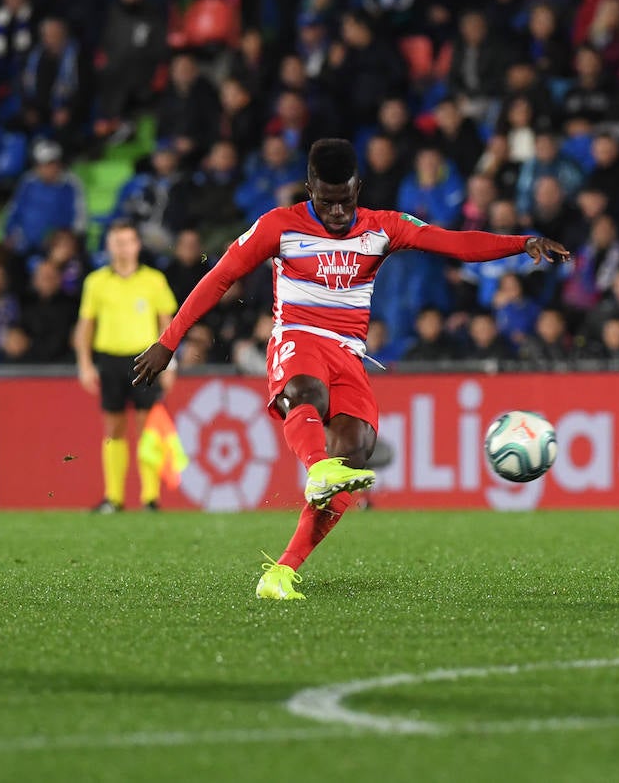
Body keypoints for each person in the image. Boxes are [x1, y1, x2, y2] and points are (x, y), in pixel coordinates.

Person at [131, 140, 568, 600]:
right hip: (297, 337)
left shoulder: (384, 227)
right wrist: (168, 342)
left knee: (355, 453)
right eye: (326, 201)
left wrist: (521, 242)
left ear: (358, 187)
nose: (337, 212)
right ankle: (317, 466)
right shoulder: (279, 225)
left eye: (345, 200)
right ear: (310, 190)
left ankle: (281, 572)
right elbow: (219, 276)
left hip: (349, 354)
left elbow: (455, 243)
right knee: (306, 393)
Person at [75, 221, 180, 513]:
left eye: (126, 242)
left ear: (137, 245)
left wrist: (170, 363)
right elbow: (86, 325)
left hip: (144, 359)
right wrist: (84, 364)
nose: (122, 248)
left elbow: (167, 323)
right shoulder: (96, 282)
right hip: (109, 359)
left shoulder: (154, 280)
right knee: (114, 427)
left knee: (148, 427)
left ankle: (150, 497)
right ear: (109, 246)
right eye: (116, 242)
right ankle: (114, 497)